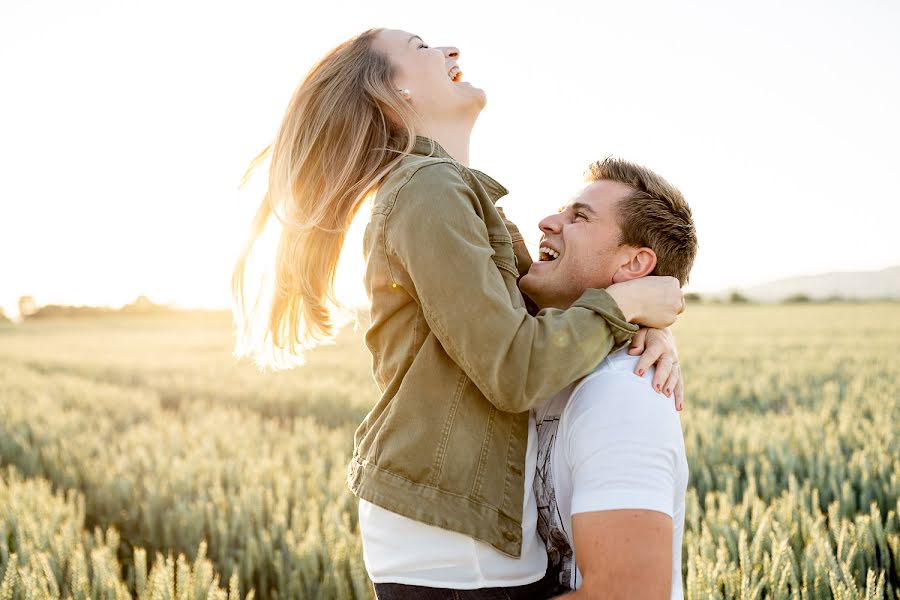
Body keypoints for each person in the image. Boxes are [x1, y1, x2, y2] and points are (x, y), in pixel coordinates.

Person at [231, 28, 685, 599]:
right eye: (421, 47)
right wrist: (623, 305)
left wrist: (647, 331)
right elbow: (515, 366)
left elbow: (544, 311)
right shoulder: (429, 190)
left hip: (454, 526)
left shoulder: (456, 196)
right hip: (453, 538)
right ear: (395, 92)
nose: (450, 52)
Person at [519, 158, 698, 599]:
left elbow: (626, 595)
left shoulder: (622, 394)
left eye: (579, 216)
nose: (546, 222)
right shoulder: (537, 360)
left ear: (635, 264)